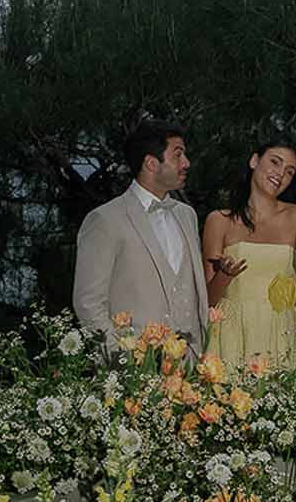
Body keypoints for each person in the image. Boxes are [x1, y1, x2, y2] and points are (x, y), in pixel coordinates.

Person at [72, 121, 209, 348]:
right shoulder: (105, 220)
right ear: (151, 163)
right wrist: (122, 362)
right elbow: (88, 304)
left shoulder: (188, 215)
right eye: (178, 155)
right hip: (135, 372)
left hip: (191, 366)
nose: (186, 163)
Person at [201, 142, 296, 373]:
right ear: (254, 161)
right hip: (231, 336)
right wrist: (225, 275)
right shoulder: (218, 220)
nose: (281, 174)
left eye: (289, 171)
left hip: (281, 334)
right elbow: (207, 301)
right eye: (275, 162)